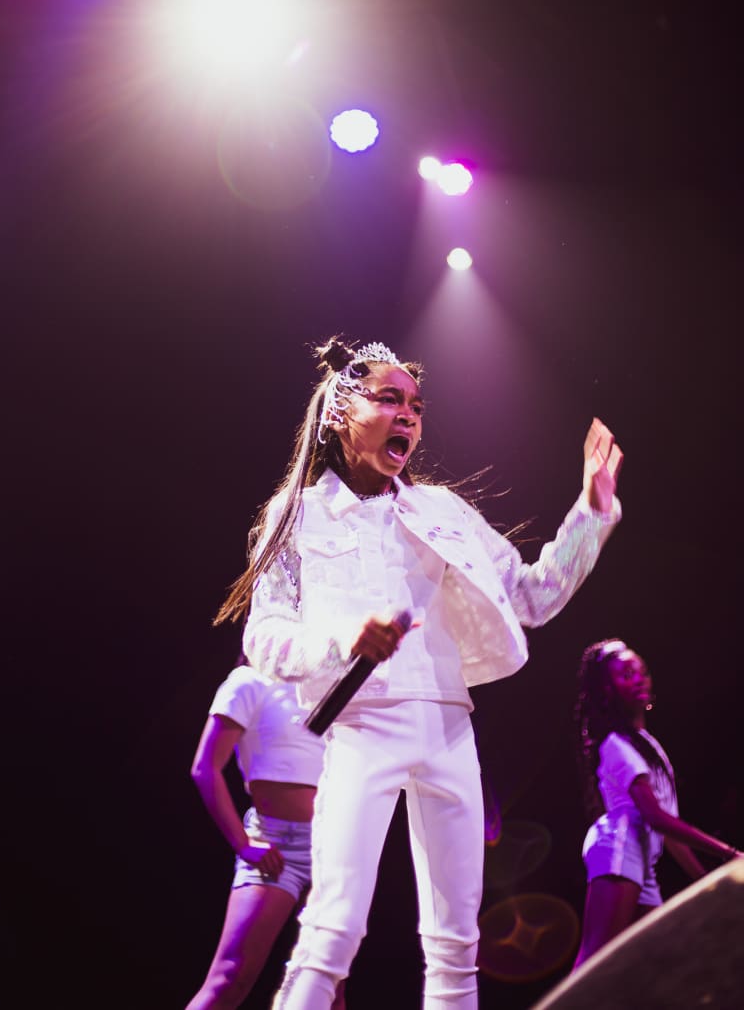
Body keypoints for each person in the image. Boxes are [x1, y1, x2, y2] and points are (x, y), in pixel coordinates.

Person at [215, 337, 624, 1010]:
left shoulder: (442, 512)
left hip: (448, 730)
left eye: (416, 406)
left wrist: (592, 511)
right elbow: (264, 637)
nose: (406, 415)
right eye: (388, 400)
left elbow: (531, 596)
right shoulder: (297, 517)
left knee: (457, 946)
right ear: (340, 415)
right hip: (360, 730)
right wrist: (342, 638)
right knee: (331, 932)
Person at [572, 638, 742, 969]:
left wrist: (705, 881)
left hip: (643, 856)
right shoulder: (616, 745)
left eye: (642, 672)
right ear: (606, 690)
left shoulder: (648, 745)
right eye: (625, 674)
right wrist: (730, 853)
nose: (638, 679)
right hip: (620, 845)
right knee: (596, 962)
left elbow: (670, 834)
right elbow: (656, 818)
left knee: (657, 960)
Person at [185, 661, 346, 1010]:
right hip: (279, 848)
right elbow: (205, 768)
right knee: (232, 977)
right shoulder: (250, 681)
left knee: (328, 988)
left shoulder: (327, 685)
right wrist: (243, 845)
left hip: (334, 847)